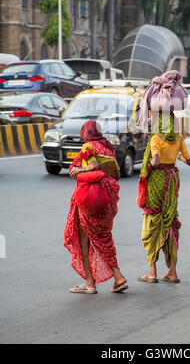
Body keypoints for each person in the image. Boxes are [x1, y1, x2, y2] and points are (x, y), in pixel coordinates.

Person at [64, 119, 128, 294]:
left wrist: (80, 171)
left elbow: (93, 166)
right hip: (107, 200)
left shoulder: (88, 147)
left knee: (84, 238)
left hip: (91, 198)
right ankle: (118, 277)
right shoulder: (108, 148)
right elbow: (117, 174)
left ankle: (90, 283)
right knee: (103, 236)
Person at [137, 110, 190, 284]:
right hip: (172, 182)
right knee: (169, 221)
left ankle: (152, 272)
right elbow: (189, 161)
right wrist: (176, 156)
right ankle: (172, 272)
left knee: (153, 222)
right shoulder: (178, 138)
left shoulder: (155, 138)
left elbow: (155, 162)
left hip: (157, 182)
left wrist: (147, 165)